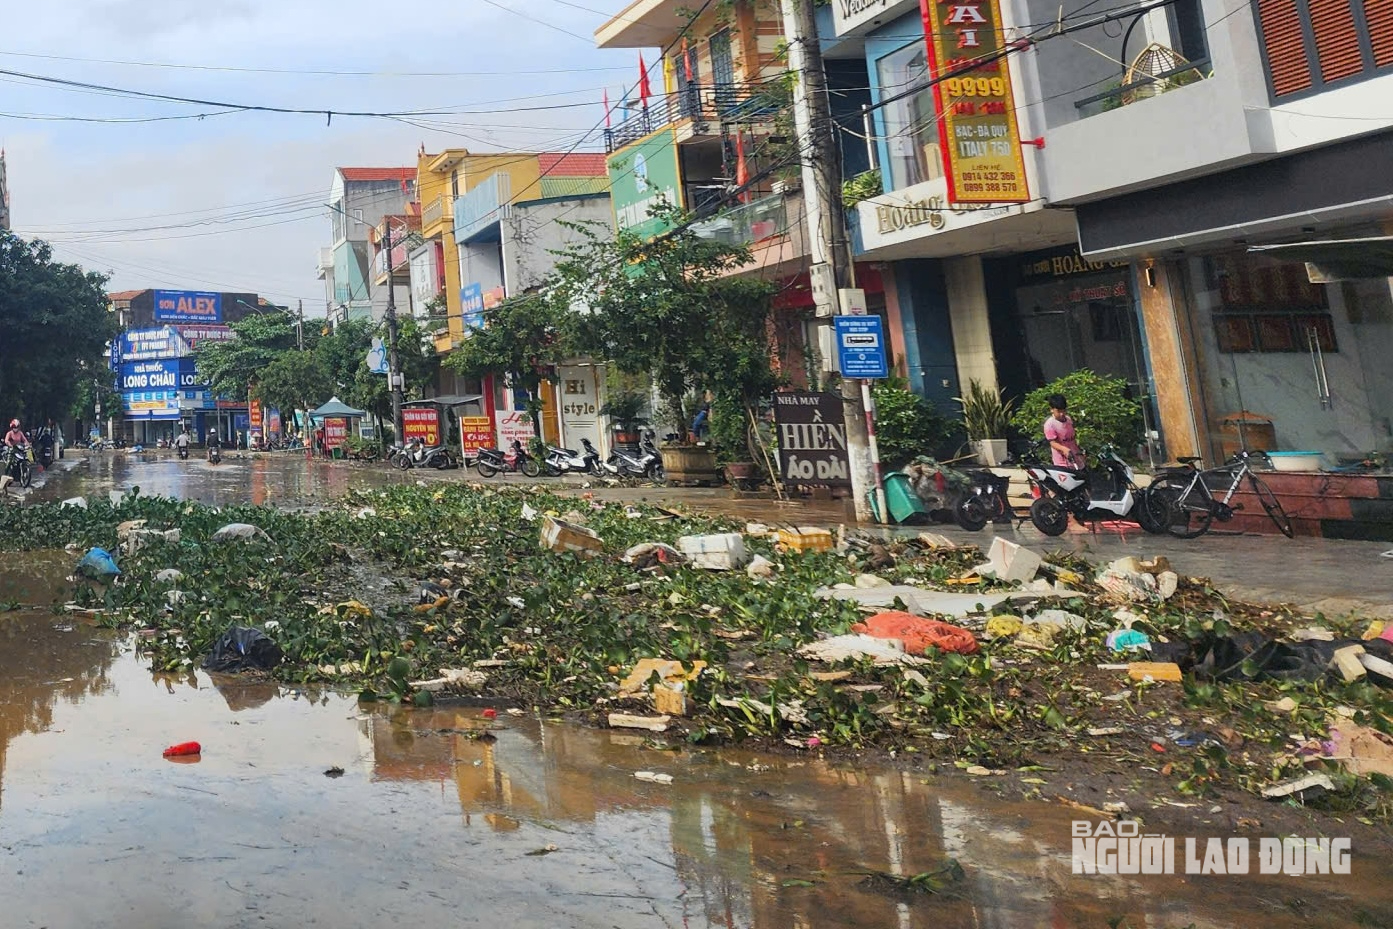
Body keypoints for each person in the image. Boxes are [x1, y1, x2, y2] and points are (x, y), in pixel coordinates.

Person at [1043, 393, 1083, 469]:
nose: (1062, 414)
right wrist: (1064, 449)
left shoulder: (1068, 419)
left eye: (1063, 410)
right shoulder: (1049, 425)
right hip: (1062, 463)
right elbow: (1053, 443)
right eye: (1058, 411)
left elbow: (1073, 438)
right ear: (1051, 409)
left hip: (1076, 458)